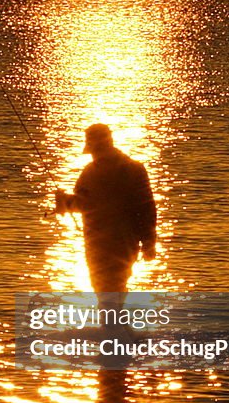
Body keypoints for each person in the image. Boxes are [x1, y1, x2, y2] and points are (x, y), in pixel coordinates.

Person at [55, 124, 157, 294]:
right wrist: (149, 242)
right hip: (125, 245)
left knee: (106, 294)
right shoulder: (135, 169)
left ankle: (112, 320)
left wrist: (64, 202)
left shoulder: (91, 173)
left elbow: (89, 204)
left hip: (100, 246)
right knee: (115, 292)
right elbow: (147, 209)